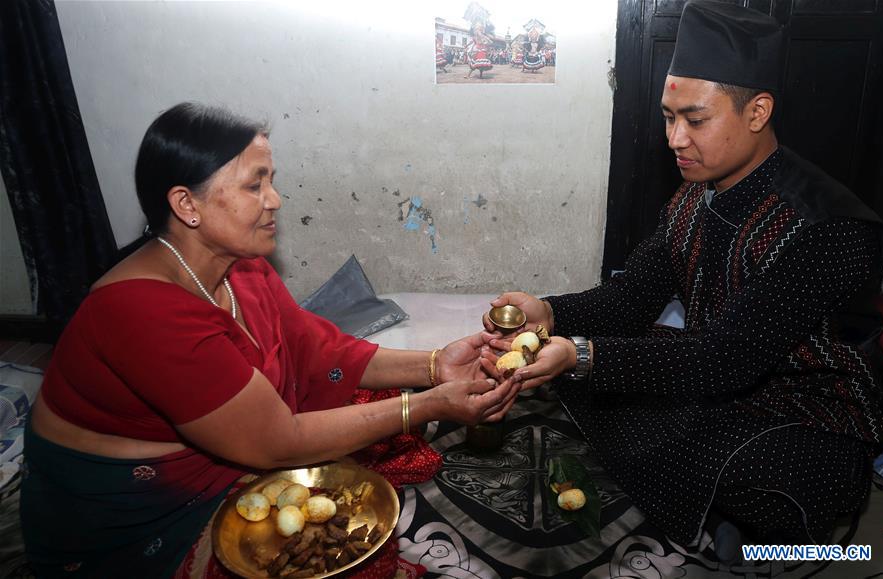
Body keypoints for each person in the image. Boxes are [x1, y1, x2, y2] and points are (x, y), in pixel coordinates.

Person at [21, 102, 518, 578]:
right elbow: (278, 442)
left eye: (271, 181)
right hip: (150, 519)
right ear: (186, 204)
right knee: (352, 552)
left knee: (383, 424)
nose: (274, 200)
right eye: (254, 185)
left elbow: (319, 351)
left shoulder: (242, 266)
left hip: (245, 437)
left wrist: (436, 366)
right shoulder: (140, 312)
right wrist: (431, 405)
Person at [484, 0, 883, 557]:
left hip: (807, 408)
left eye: (695, 120)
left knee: (750, 465)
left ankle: (759, 527)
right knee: (599, 382)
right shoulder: (695, 198)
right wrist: (550, 314)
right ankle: (705, 508)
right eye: (669, 117)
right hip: (713, 373)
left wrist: (581, 354)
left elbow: (727, 360)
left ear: (757, 111)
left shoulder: (823, 226)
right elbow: (634, 296)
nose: (675, 139)